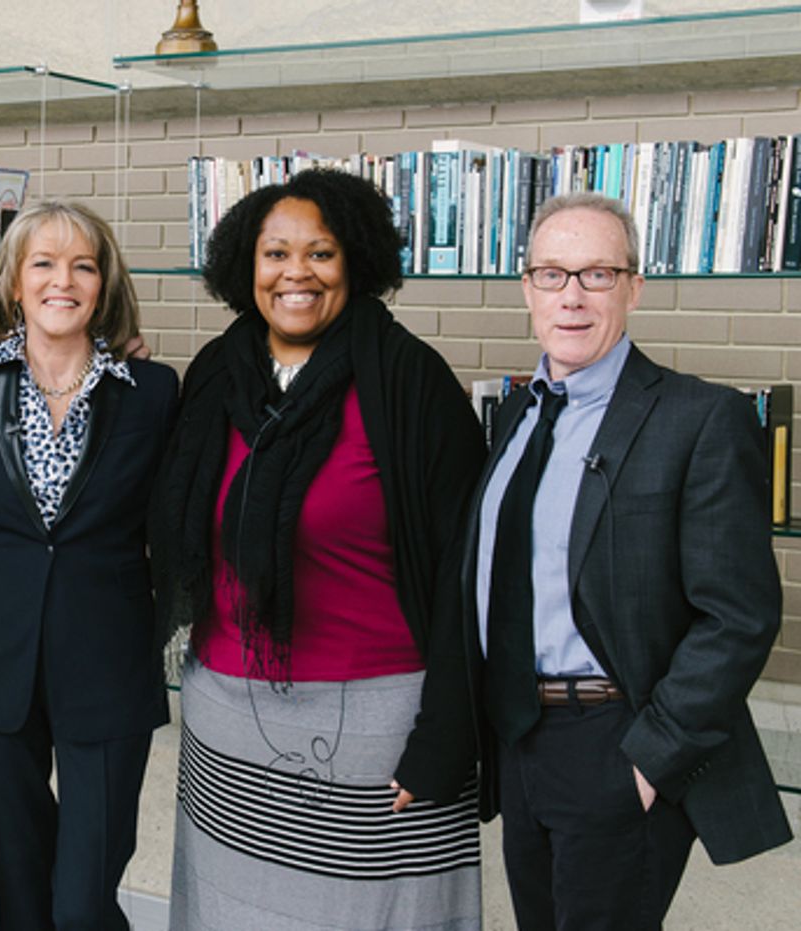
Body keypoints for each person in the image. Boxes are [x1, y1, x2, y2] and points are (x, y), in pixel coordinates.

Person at [149, 169, 486, 930]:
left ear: (356, 262)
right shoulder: (215, 376)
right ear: (247, 266)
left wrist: (444, 738)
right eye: (275, 253)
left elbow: (469, 574)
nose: (295, 273)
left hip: (380, 725)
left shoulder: (410, 382)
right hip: (227, 716)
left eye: (321, 253)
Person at [467, 191, 793, 930]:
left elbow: (739, 616)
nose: (572, 296)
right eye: (552, 274)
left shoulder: (700, 418)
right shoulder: (518, 414)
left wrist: (647, 764)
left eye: (597, 274)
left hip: (617, 741)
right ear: (527, 288)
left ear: (634, 287)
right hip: (521, 739)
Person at [0, 201, 178, 929]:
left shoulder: (153, 391)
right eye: (43, 262)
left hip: (107, 657)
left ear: (104, 283)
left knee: (83, 901)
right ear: (13, 281)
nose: (62, 280)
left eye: (83, 264)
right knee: (19, 892)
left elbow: (179, 519)